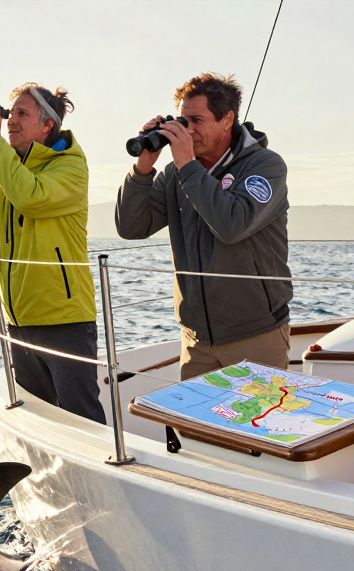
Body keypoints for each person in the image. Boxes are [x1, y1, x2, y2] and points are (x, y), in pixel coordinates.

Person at [0, 83, 105, 424]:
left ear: (47, 125)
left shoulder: (69, 167)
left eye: (21, 114)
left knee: (83, 422)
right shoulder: (4, 170)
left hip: (64, 320)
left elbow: (29, 197)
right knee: (39, 419)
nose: (11, 121)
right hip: (17, 320)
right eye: (11, 114)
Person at [116, 72, 292, 380]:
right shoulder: (176, 173)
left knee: (254, 428)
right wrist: (144, 167)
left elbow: (232, 225)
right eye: (184, 122)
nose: (188, 131)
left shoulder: (265, 166)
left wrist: (188, 166)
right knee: (196, 430)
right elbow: (131, 226)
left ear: (227, 120)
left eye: (197, 121)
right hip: (197, 340)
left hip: (255, 335)